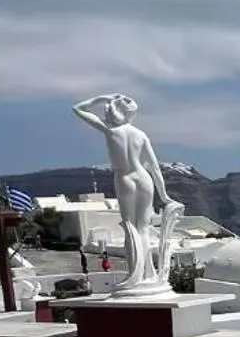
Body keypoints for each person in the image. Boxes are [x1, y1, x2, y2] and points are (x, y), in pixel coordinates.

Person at [73, 94, 171, 296]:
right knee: (143, 228)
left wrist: (101, 98)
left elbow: (78, 109)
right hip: (144, 179)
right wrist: (164, 195)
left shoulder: (110, 130)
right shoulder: (141, 135)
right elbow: (155, 168)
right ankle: (147, 275)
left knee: (130, 227)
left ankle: (135, 275)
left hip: (125, 178)